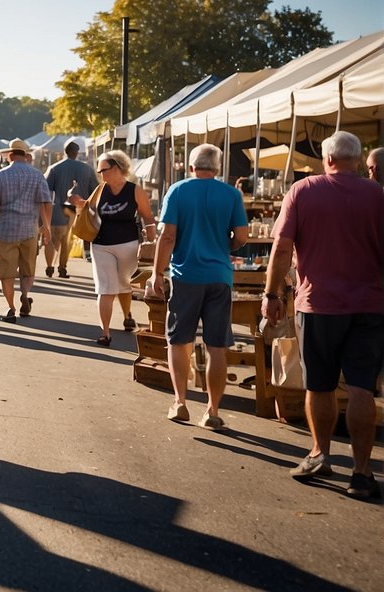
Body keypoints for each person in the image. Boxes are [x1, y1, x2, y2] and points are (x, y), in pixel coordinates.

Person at [261, 131, 384, 500]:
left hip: (319, 304)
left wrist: (271, 294)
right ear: (360, 161)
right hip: (371, 305)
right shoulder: (379, 195)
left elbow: (282, 247)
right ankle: (362, 471)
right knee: (363, 387)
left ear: (327, 159)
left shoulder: (304, 190)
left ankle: (320, 454)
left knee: (320, 385)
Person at [149, 144, 248, 430]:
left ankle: (180, 402)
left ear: (191, 166)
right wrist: (223, 247)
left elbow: (167, 236)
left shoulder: (178, 191)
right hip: (219, 276)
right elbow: (241, 235)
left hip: (185, 274)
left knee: (178, 341)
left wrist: (157, 272)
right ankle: (213, 410)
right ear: (217, 168)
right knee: (217, 345)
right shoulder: (230, 194)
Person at [71, 151, 155, 345]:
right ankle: (105, 333)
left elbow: (147, 217)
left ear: (117, 168)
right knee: (106, 289)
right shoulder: (100, 190)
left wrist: (151, 242)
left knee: (124, 284)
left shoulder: (135, 190)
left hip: (128, 244)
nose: (101, 175)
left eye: (104, 170)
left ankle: (127, 315)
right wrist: (78, 203)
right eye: (99, 171)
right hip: (101, 245)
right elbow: (89, 208)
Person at [0, 139, 52, 324]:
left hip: (6, 230)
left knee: (5, 272)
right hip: (29, 229)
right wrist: (47, 228)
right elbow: (46, 203)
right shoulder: (37, 175)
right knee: (28, 269)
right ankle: (25, 294)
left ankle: (10, 308)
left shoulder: (0, 175)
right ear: (26, 156)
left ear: (9, 155)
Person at [44, 141, 98, 279]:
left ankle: (49, 267)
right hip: (77, 212)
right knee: (66, 241)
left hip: (57, 210)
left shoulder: (54, 168)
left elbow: (46, 192)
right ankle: (62, 268)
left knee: (52, 240)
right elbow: (95, 192)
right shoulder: (87, 169)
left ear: (64, 151)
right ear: (77, 152)